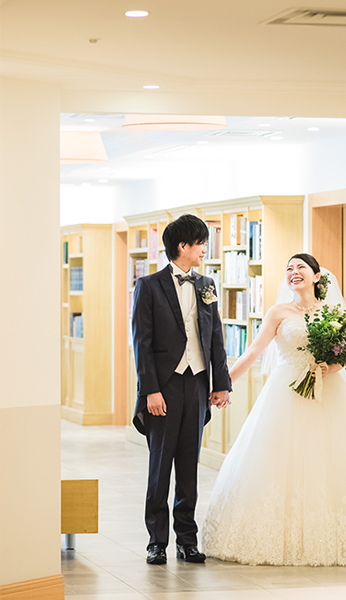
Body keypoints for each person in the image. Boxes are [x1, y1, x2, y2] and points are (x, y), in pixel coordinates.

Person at [202, 253, 346, 566]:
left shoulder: (333, 312)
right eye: (289, 268)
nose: (293, 272)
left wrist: (329, 367)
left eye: (300, 267)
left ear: (316, 276)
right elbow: (253, 352)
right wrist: (223, 384)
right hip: (285, 391)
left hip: (328, 393)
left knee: (333, 457)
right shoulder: (278, 312)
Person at [131, 214, 232, 566]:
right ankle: (156, 541)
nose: (205, 249)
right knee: (160, 468)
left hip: (197, 384)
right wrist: (150, 391)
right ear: (182, 246)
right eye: (200, 243)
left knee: (189, 468)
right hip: (164, 387)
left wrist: (221, 384)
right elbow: (142, 344)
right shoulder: (148, 286)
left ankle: (187, 541)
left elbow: (215, 337)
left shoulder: (207, 284)